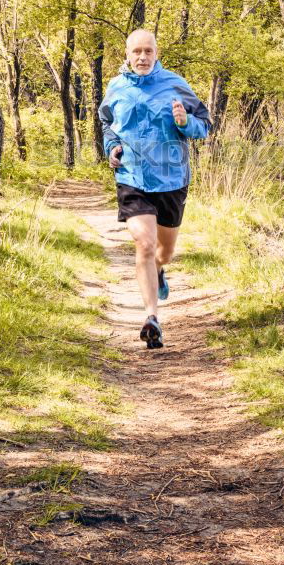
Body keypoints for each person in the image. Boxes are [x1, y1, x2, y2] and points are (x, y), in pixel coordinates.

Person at [98, 29, 212, 349]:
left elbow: (204, 123)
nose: (142, 57)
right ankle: (151, 318)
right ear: (127, 54)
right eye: (137, 51)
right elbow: (107, 121)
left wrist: (184, 123)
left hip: (172, 179)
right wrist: (112, 146)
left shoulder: (175, 84)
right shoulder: (117, 87)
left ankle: (159, 271)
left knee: (164, 252)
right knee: (145, 244)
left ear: (156, 53)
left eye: (148, 51)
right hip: (132, 177)